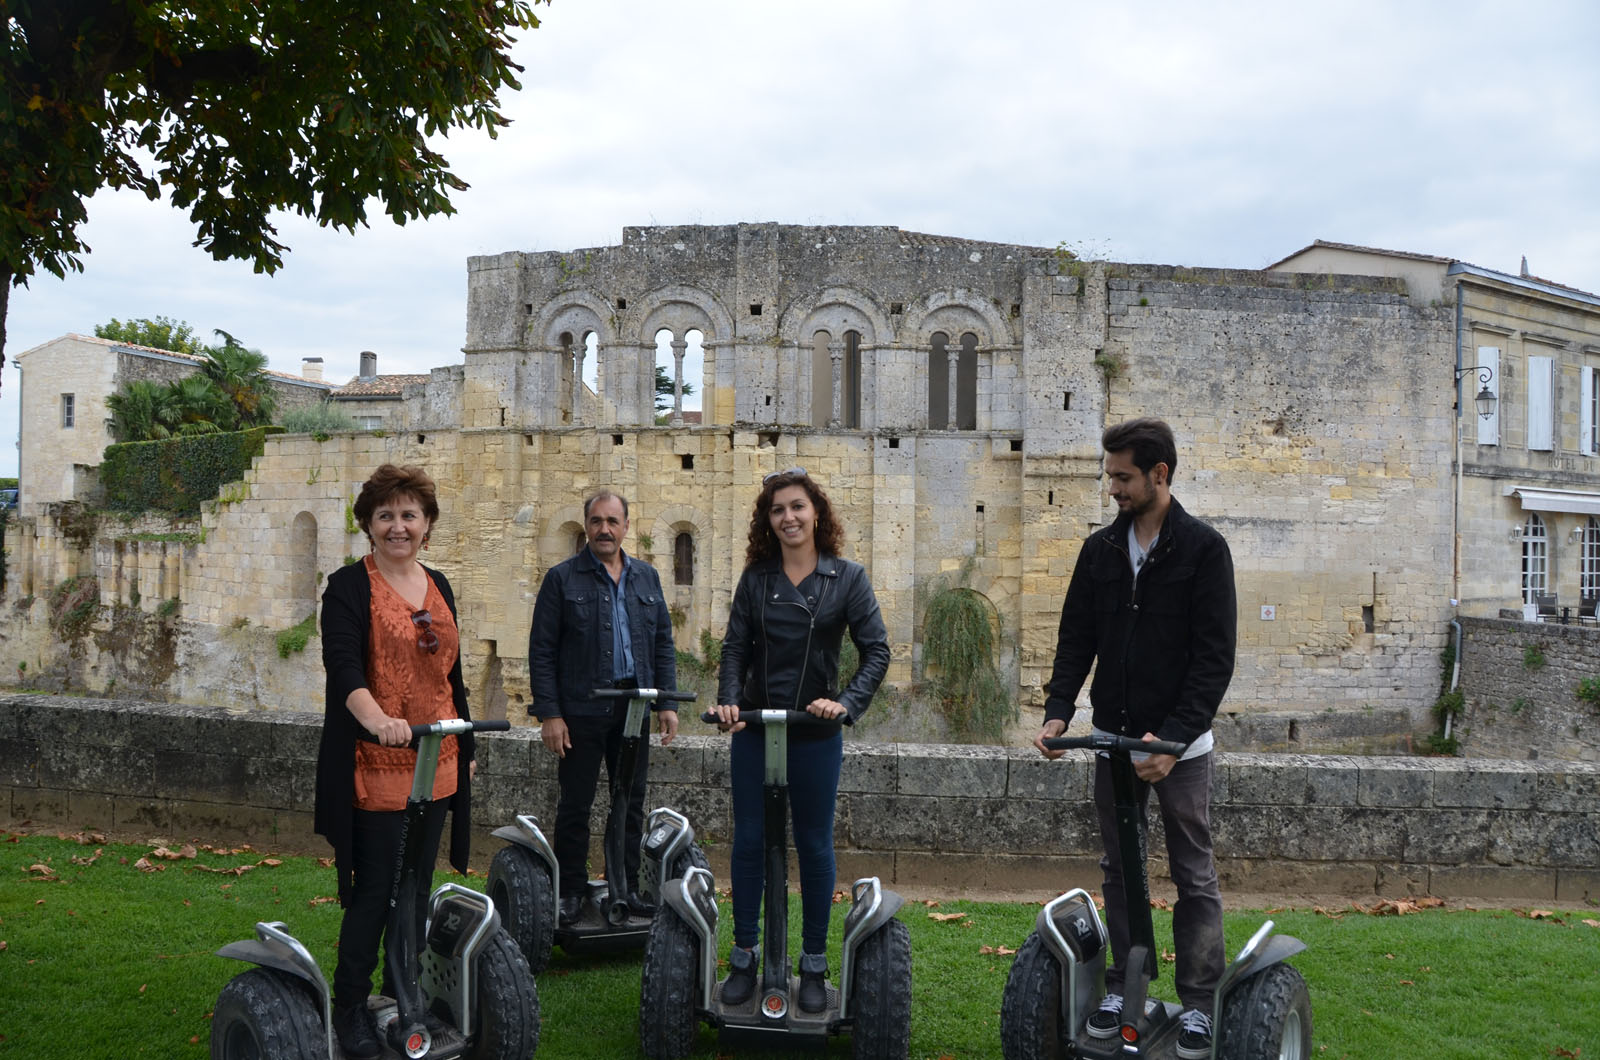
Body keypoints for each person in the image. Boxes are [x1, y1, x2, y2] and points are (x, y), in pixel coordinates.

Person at [1034, 417, 1236, 1060]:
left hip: (1181, 750)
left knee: (1192, 872)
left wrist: (1173, 740)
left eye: (1122, 476)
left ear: (1159, 474)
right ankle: (1126, 989)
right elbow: (1076, 637)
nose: (1111, 486)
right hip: (1115, 741)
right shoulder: (1099, 551)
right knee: (1120, 871)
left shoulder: (1205, 550)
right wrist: (1060, 710)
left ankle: (1199, 1003)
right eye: (1110, 474)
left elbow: (1213, 660)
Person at [314, 464, 479, 1060]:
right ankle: (351, 1007)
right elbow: (344, 669)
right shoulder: (348, 587)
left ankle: (402, 994)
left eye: (409, 515)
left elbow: (451, 677)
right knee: (377, 890)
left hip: (438, 760)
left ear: (427, 525)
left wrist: (469, 749)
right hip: (375, 766)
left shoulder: (439, 585)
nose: (398, 526)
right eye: (385, 515)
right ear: (369, 525)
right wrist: (377, 718)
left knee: (415, 888)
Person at [712, 467, 890, 1014]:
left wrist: (846, 703)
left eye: (797, 507)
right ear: (768, 521)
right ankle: (744, 956)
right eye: (777, 510)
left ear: (817, 513)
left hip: (814, 734)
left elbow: (877, 651)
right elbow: (735, 647)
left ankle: (813, 963)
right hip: (758, 729)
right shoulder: (757, 579)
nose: (788, 517)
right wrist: (728, 700)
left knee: (813, 845)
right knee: (748, 842)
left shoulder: (849, 579)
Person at [527, 489, 679, 927]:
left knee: (630, 803)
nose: (605, 529)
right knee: (576, 804)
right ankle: (571, 890)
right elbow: (543, 650)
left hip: (634, 708)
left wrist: (665, 702)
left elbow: (662, 643)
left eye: (613, 521)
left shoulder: (647, 577)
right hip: (581, 710)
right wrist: (551, 714)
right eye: (597, 521)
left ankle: (624, 889)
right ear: (587, 526)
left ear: (626, 526)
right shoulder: (562, 579)